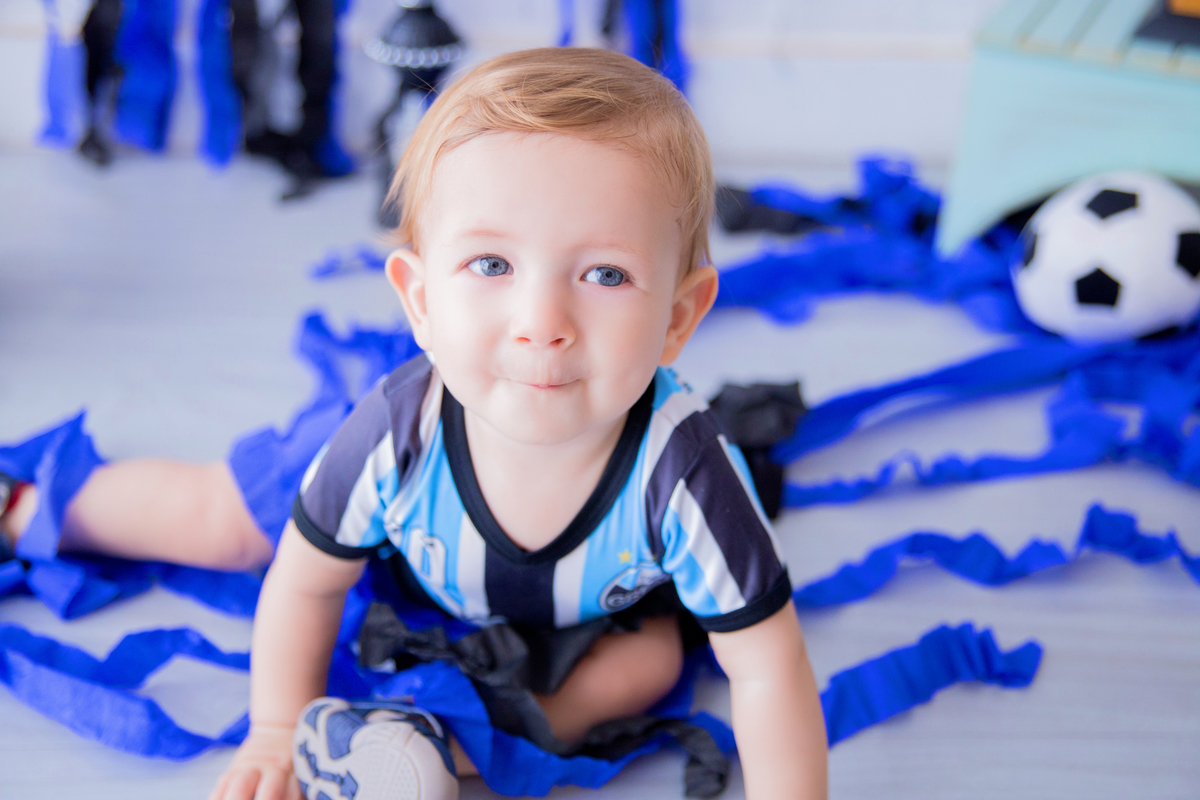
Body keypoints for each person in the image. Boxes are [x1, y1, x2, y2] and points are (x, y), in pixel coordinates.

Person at [0, 47, 827, 800]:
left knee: (647, 666)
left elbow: (767, 666)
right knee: (231, 524)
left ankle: (417, 743)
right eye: (492, 264)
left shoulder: (686, 475)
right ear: (422, 300)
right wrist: (277, 730)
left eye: (606, 273)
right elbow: (305, 582)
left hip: (563, 617)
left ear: (681, 317)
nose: (542, 321)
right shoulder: (396, 431)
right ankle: (26, 508)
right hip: (399, 538)